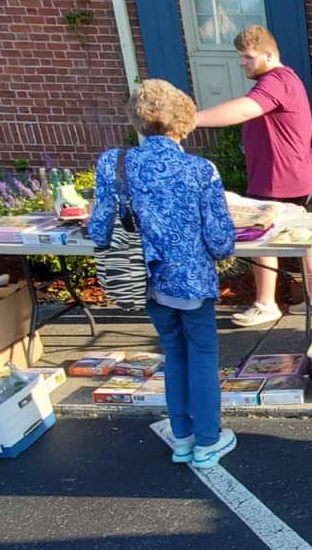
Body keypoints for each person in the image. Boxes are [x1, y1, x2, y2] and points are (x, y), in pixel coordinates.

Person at [90, 80, 237, 468]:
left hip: (146, 279)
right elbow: (221, 242)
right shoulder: (200, 170)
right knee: (203, 356)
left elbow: (99, 229)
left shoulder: (114, 162)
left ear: (138, 120)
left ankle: (183, 439)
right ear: (183, 123)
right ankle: (208, 441)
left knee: (173, 354)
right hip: (192, 281)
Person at [194, 25, 312, 327]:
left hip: (278, 176)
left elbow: (243, 110)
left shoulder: (276, 80)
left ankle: (266, 303)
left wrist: (193, 119)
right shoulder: (284, 79)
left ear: (269, 54)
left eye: (248, 57)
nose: (243, 64)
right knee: (304, 238)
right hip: (291, 173)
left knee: (261, 236)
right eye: (241, 57)